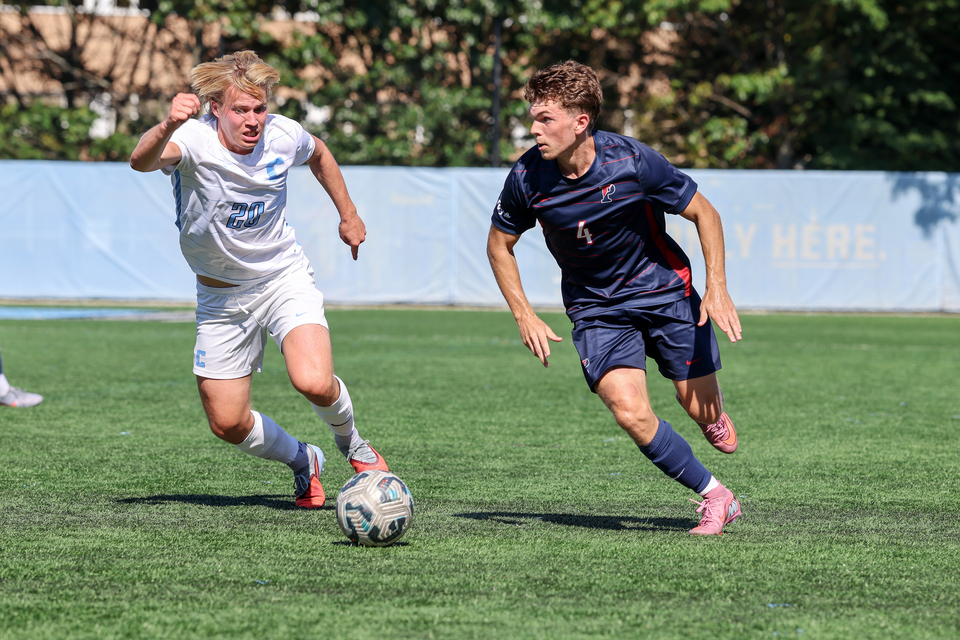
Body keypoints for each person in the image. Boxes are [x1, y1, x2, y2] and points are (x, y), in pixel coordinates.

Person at [486, 61, 743, 536]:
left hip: (664, 290)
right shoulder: (526, 177)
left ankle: (710, 414)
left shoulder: (633, 162)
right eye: (533, 117)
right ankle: (716, 496)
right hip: (596, 306)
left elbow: (705, 213)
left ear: (580, 122)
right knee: (628, 410)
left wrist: (717, 288)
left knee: (700, 410)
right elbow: (499, 244)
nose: (534, 128)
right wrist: (524, 314)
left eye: (545, 118)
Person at [130, 51, 387, 509]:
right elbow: (141, 160)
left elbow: (320, 152)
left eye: (259, 108)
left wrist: (348, 214)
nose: (253, 120)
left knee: (313, 380)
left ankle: (352, 443)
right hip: (220, 296)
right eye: (240, 110)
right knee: (227, 423)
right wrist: (167, 123)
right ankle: (302, 459)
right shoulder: (191, 140)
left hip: (282, 278)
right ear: (216, 110)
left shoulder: (283, 135)